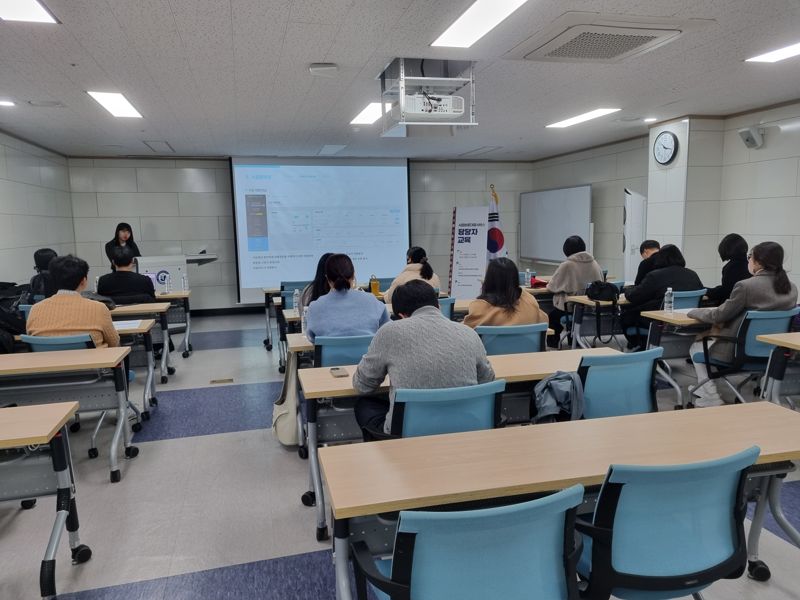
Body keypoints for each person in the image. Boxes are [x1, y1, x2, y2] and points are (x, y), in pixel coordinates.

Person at [353, 280, 495, 436]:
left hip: (407, 432)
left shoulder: (389, 332)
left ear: (401, 316)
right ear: (439, 307)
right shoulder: (468, 333)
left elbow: (363, 386)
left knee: (364, 404)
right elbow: (487, 380)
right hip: (466, 426)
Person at [687, 241, 798, 407]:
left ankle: (710, 394)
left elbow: (719, 314)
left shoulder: (746, 286)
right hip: (775, 353)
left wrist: (693, 311)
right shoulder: (791, 288)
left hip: (739, 350)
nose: (748, 261)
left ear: (758, 262)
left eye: (750, 257)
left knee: (696, 347)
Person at [27, 255, 120, 349]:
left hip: (47, 362)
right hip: (93, 362)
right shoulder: (99, 308)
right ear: (83, 281)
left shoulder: (35, 309)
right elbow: (114, 343)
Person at [621, 245, 703, 349]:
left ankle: (641, 345)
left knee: (626, 316)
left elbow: (634, 296)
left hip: (659, 321)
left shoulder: (655, 276)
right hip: (688, 320)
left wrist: (628, 290)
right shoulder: (692, 274)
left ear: (660, 258)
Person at [305, 253, 389, 342]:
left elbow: (311, 338)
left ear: (327, 278)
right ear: (353, 275)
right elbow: (387, 329)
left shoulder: (315, 307)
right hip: (368, 355)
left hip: (332, 356)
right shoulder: (371, 301)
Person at [545, 236, 603, 348]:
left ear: (566, 250)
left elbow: (552, 287)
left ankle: (553, 343)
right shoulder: (595, 263)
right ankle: (573, 339)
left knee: (552, 316)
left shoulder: (567, 265)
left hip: (572, 308)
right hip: (591, 307)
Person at [464, 257, 548, 327]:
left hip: (492, 347)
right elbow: (544, 322)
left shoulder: (480, 308)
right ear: (515, 278)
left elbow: (466, 332)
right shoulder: (530, 302)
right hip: (526, 347)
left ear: (489, 280)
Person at [705, 233, 751, 306]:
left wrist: (706, 291)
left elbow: (726, 291)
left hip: (732, 308)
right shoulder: (749, 265)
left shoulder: (731, 267)